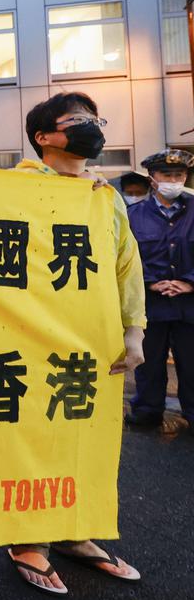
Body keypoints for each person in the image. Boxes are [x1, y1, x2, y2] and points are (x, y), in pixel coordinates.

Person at [5, 92, 144, 595]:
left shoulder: (105, 197)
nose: (91, 128)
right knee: (34, 438)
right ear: (44, 137)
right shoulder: (14, 186)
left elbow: (126, 264)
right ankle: (28, 539)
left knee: (87, 439)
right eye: (77, 121)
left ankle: (74, 531)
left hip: (93, 340)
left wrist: (134, 330)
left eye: (95, 120)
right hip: (30, 339)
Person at [124, 149, 194, 431]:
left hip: (189, 307)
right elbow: (125, 258)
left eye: (179, 175)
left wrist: (190, 280)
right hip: (150, 306)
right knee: (149, 364)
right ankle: (147, 410)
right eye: (167, 175)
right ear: (152, 178)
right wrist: (151, 280)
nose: (174, 180)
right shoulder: (133, 215)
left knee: (192, 365)